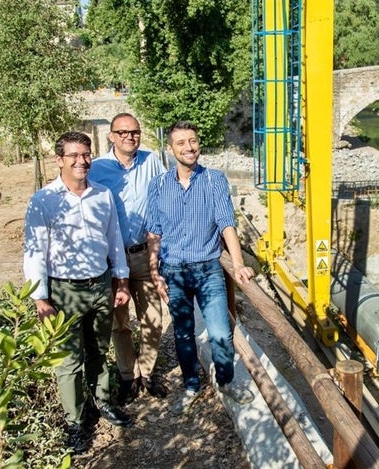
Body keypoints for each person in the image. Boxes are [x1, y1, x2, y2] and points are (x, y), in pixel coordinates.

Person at [23, 131, 133, 454]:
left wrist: (121, 281)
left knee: (99, 351)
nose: (81, 161)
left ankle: (102, 403)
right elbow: (34, 253)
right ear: (59, 160)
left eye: (85, 154)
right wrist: (41, 298)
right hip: (64, 292)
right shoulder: (44, 200)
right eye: (73, 155)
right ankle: (75, 421)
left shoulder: (103, 195)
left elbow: (114, 241)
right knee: (69, 361)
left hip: (100, 286)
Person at [145, 120, 255, 414]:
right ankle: (192, 384)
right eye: (181, 143)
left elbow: (226, 224)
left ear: (199, 144)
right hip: (174, 272)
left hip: (208, 269)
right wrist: (155, 272)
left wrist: (239, 264)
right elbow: (154, 232)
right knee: (183, 333)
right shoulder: (157, 185)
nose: (188, 147)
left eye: (192, 141)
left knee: (220, 332)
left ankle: (227, 381)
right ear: (170, 150)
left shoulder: (214, 180)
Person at [88, 113, 168, 405]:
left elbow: (164, 202)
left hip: (144, 255)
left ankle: (146, 373)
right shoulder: (96, 168)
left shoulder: (152, 162)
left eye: (134, 132)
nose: (129, 137)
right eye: (122, 132)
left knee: (153, 318)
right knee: (118, 323)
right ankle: (128, 377)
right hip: (111, 260)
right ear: (111, 136)